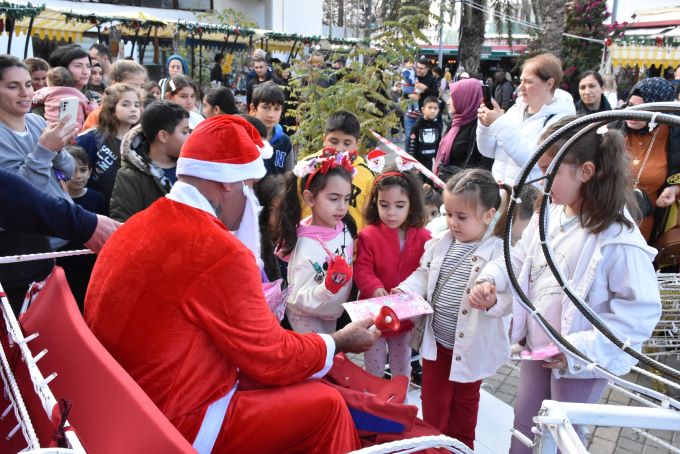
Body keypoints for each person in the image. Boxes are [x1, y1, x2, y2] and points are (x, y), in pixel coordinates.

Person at [85, 115, 379, 453]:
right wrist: (338, 341)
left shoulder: (139, 224)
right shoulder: (216, 249)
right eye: (251, 187)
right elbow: (272, 358)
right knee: (328, 404)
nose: (252, 201)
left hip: (123, 403)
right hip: (178, 421)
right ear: (229, 182)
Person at [470, 120, 661, 454]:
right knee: (526, 424)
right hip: (539, 348)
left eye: (550, 171)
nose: (542, 182)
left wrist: (577, 350)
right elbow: (519, 257)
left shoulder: (619, 240)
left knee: (562, 433)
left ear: (585, 171)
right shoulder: (551, 212)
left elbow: (637, 318)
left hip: (579, 363)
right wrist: (491, 280)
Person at [394, 169, 513, 450]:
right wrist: (406, 290)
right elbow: (424, 274)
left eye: (461, 217)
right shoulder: (440, 243)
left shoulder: (498, 251)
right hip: (436, 344)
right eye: (448, 214)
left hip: (470, 350)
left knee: (464, 407)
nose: (452, 223)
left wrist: (490, 298)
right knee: (433, 405)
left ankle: (460, 447)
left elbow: (507, 294)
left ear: (488, 215)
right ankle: (434, 446)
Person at [354, 169, 431, 381]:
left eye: (399, 206)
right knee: (374, 368)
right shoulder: (368, 235)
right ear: (375, 203)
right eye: (384, 205)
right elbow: (362, 268)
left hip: (405, 319)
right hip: (375, 316)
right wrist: (373, 286)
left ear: (411, 205)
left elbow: (427, 269)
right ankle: (376, 402)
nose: (391, 212)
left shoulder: (425, 237)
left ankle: (400, 403)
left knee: (402, 367)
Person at [279, 151, 357, 334]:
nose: (342, 207)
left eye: (346, 199)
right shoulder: (305, 245)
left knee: (330, 356)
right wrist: (328, 287)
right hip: (305, 315)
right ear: (310, 198)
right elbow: (297, 297)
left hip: (330, 311)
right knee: (319, 359)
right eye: (334, 198)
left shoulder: (343, 226)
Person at [477, 52, 575, 185]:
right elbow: (488, 151)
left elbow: (533, 160)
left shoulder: (560, 120)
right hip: (500, 195)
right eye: (521, 80)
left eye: (528, 82)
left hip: (528, 198)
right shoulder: (515, 110)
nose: (520, 87)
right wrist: (486, 126)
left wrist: (499, 123)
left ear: (549, 84)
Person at [109, 101, 190, 222]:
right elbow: (123, 222)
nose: (190, 137)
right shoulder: (130, 176)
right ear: (163, 136)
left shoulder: (191, 168)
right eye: (184, 132)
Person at [622, 77, 680, 243]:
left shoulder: (673, 134)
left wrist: (674, 188)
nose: (633, 113)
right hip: (608, 219)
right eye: (631, 106)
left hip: (646, 229)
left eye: (643, 109)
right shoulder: (613, 128)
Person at [299, 111, 375, 231]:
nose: (340, 148)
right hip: (310, 238)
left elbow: (369, 215)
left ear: (357, 144)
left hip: (350, 245)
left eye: (347, 143)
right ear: (324, 139)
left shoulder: (366, 174)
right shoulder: (307, 167)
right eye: (333, 142)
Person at [76, 83, 142, 209]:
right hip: (96, 210)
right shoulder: (91, 138)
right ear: (111, 108)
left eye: (137, 105)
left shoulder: (142, 141)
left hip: (128, 210)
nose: (133, 109)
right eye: (125, 104)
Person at [60, 145, 107, 308]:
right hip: (65, 264)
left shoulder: (97, 198)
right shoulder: (59, 200)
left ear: (90, 170)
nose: (78, 176)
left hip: (91, 262)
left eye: (82, 170)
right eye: (72, 171)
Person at [435, 79, 492, 176]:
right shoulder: (456, 121)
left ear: (466, 99)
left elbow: (483, 168)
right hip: (448, 184)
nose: (448, 102)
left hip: (463, 188)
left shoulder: (481, 127)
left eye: (453, 98)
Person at [83, 60, 148, 130]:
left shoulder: (140, 113)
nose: (139, 90)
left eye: (142, 86)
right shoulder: (99, 115)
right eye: (133, 85)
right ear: (115, 84)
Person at [31, 66, 97, 130]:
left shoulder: (46, 91)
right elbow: (90, 110)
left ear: (49, 82)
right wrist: (94, 105)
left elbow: (32, 99)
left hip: (53, 128)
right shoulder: (78, 93)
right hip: (75, 128)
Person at [249, 81, 292, 175]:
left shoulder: (285, 142)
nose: (271, 115)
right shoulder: (244, 137)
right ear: (253, 109)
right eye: (266, 107)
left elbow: (288, 177)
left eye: (277, 109)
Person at [408, 96, 441, 171]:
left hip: (431, 161)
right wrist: (414, 164)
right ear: (423, 109)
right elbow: (412, 146)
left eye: (435, 108)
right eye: (430, 108)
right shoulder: (417, 126)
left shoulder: (438, 126)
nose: (433, 111)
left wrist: (438, 161)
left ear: (438, 110)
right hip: (419, 161)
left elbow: (438, 144)